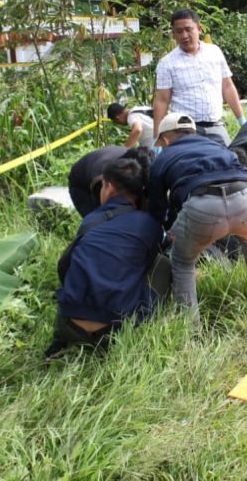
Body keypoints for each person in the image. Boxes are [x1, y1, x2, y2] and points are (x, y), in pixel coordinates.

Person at [148, 113, 247, 314]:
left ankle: (190, 327)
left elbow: (157, 209)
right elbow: (246, 175)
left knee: (182, 261)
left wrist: (167, 233)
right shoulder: (216, 146)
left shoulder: (164, 158)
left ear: (166, 138)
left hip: (203, 209)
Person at [47, 151, 165, 356]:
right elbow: (144, 265)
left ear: (108, 186)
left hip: (69, 324)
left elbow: (65, 265)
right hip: (113, 329)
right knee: (161, 263)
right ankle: (142, 322)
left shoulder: (91, 220)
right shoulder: (150, 225)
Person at [152, 8, 247, 147]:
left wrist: (241, 120)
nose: (184, 35)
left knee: (227, 161)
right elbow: (162, 101)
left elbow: (227, 86)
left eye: (188, 29)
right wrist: (158, 137)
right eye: (179, 31)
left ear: (199, 28)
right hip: (184, 130)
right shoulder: (167, 63)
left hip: (216, 126)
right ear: (174, 34)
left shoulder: (214, 52)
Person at [68, 146, 130, 216]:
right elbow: (103, 210)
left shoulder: (137, 170)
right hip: (80, 184)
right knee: (97, 218)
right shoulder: (101, 183)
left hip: (107, 158)